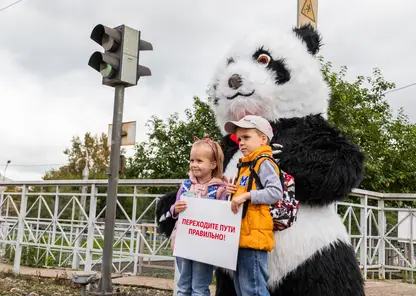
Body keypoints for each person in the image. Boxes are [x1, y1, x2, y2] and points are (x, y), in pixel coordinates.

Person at [224, 115, 283, 296]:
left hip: (254, 240)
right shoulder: (245, 165)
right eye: (239, 139)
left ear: (263, 139)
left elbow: (275, 192)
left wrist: (246, 196)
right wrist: (233, 192)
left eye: (246, 137)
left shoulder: (263, 162)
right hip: (241, 237)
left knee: (254, 290)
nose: (241, 143)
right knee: (243, 290)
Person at [170, 135, 227, 296]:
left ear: (213, 164)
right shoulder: (186, 185)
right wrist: (176, 208)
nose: (194, 165)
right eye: (192, 160)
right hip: (183, 241)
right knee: (183, 285)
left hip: (205, 245)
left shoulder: (220, 189)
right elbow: (173, 210)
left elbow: (224, 216)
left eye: (199, 161)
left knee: (199, 287)